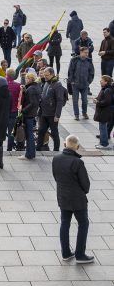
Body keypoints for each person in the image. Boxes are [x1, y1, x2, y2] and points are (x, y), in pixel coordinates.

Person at [52, 135, 94, 264]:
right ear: (77, 146)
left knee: (65, 223)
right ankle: (80, 254)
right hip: (77, 199)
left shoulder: (56, 158)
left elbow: (56, 177)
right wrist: (83, 191)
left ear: (65, 144)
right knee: (83, 223)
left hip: (62, 196)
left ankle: (65, 253)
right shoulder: (77, 162)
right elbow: (85, 184)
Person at [37, 67, 64, 152]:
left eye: (47, 75)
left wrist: (57, 115)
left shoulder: (57, 85)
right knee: (41, 131)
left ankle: (56, 150)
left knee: (54, 133)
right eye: (44, 75)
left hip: (52, 114)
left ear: (52, 74)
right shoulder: (46, 83)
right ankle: (38, 149)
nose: (45, 77)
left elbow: (60, 101)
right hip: (44, 113)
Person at [19, 71, 40, 160]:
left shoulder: (31, 89)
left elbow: (32, 103)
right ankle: (31, 153)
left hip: (29, 114)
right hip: (32, 113)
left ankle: (29, 154)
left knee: (29, 135)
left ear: (30, 79)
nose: (25, 80)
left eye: (27, 78)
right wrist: (25, 91)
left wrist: (23, 110)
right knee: (29, 134)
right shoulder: (34, 87)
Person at [68, 47, 94, 120]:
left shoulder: (89, 61)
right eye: (85, 52)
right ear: (81, 52)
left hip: (85, 85)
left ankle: (84, 112)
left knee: (85, 100)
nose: (86, 54)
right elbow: (70, 71)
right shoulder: (74, 60)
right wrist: (72, 81)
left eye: (87, 53)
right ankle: (76, 114)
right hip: (75, 84)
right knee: (75, 100)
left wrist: (89, 81)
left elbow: (91, 72)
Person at [94, 75, 113, 149]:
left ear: (106, 82)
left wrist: (97, 102)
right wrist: (97, 98)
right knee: (102, 127)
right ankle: (102, 143)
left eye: (102, 80)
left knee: (103, 128)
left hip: (104, 112)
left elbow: (107, 101)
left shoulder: (107, 90)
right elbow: (103, 98)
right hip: (103, 112)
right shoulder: (105, 88)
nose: (100, 81)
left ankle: (104, 144)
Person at [5, 68, 20, 151]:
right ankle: (9, 148)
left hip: (4, 112)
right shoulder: (18, 85)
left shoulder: (4, 85)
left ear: (6, 75)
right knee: (11, 131)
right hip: (14, 111)